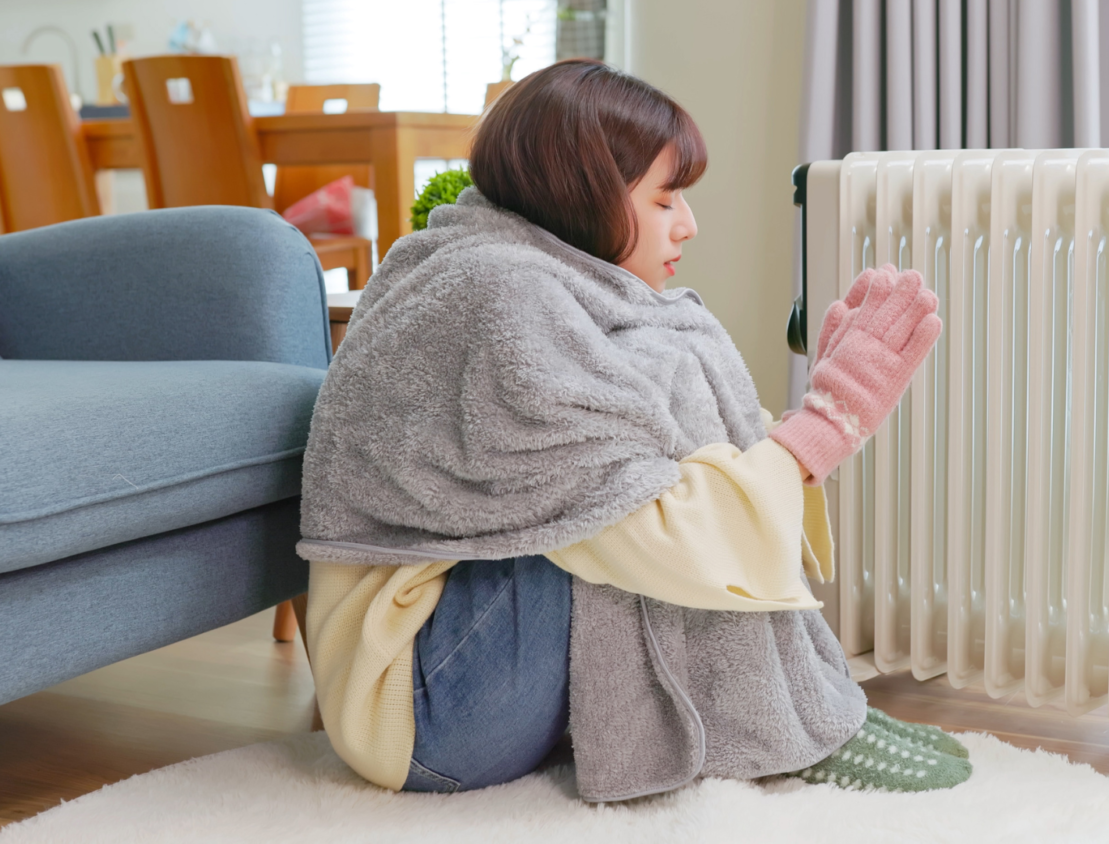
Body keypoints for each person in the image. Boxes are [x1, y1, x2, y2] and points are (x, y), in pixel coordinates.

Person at [296, 58, 970, 798]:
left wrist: (803, 431)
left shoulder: (529, 274)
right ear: (582, 193)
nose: (688, 224)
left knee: (642, 455)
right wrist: (826, 425)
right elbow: (651, 530)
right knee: (626, 504)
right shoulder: (499, 294)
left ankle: (797, 705)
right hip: (423, 713)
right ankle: (774, 729)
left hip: (466, 672)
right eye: (664, 198)